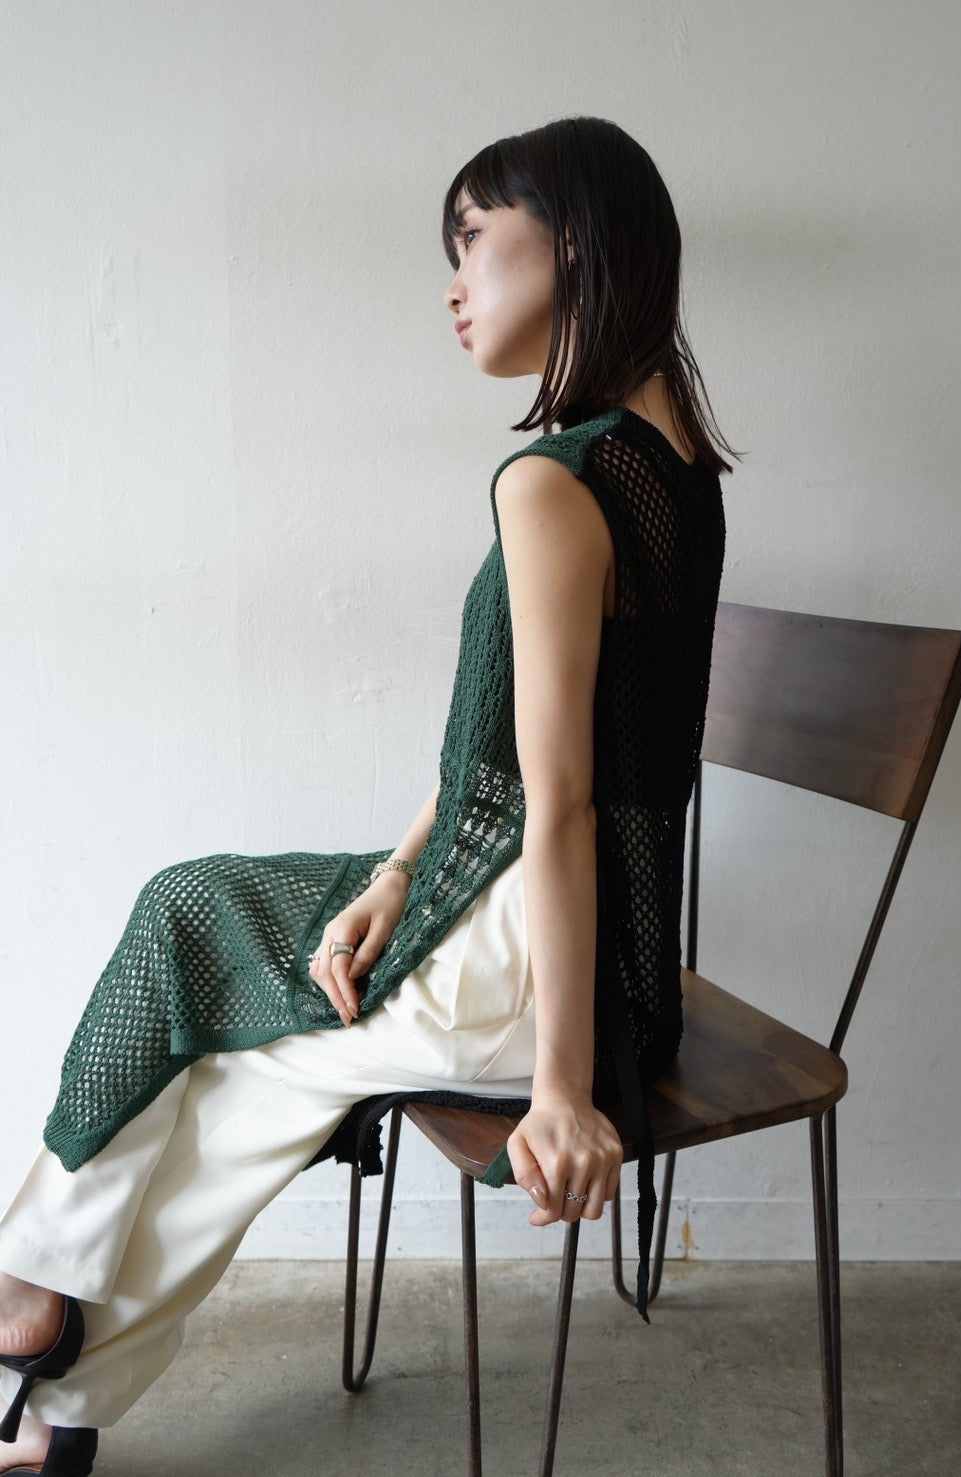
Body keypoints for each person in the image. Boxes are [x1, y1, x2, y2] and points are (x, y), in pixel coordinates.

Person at [0, 115, 731, 1475]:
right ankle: (47, 1360)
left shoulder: (554, 482)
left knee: (219, 1022)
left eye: (474, 241)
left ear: (572, 246)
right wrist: (397, 873)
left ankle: (41, 1334)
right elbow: (519, 765)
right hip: (577, 942)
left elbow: (563, 803)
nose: (453, 285)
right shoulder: (673, 464)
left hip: (533, 973)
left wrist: (566, 1091)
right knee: (203, 937)